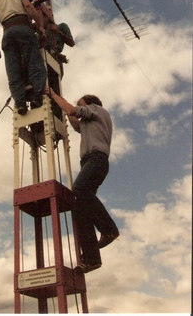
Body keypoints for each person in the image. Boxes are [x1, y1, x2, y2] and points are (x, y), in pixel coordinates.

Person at [45, 87, 119, 273]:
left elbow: (72, 111)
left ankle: (109, 229)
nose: (78, 108)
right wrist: (63, 105)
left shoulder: (97, 110)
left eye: (80, 105)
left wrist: (54, 96)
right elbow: (75, 122)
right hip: (90, 162)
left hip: (97, 159)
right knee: (79, 208)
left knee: (80, 189)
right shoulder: (90, 122)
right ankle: (91, 259)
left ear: (90, 104)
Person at [0, 0, 47, 115]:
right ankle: (36, 97)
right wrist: (39, 26)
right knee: (33, 63)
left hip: (7, 33)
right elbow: (28, 6)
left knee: (13, 71)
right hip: (23, 27)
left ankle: (20, 104)